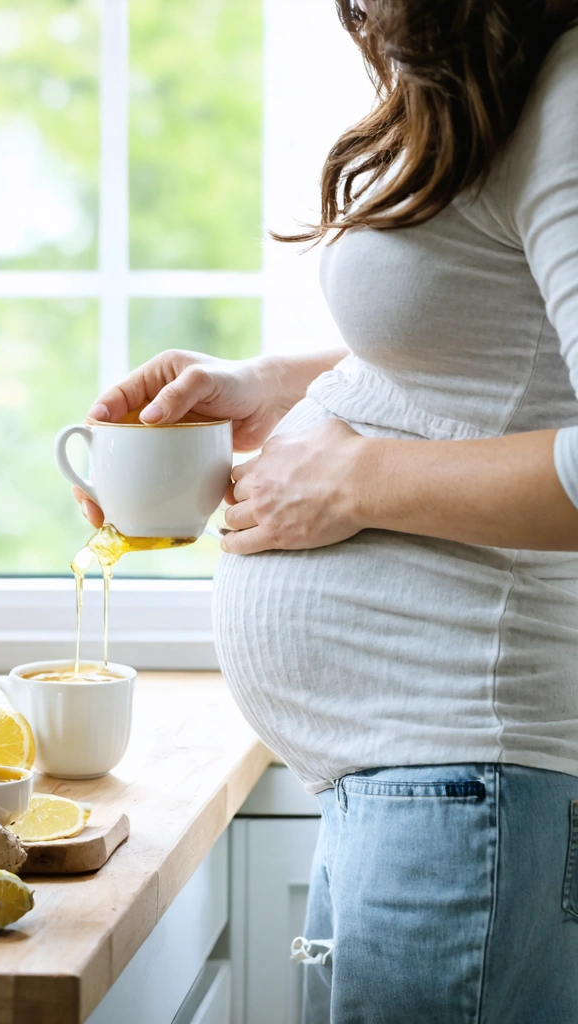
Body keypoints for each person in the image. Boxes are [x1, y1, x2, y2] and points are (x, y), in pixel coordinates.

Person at [72, 2, 578, 1021]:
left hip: (466, 778)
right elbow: (487, 352)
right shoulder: (500, 74)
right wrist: (272, 384)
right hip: (414, 784)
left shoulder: (571, 86)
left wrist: (352, 481)